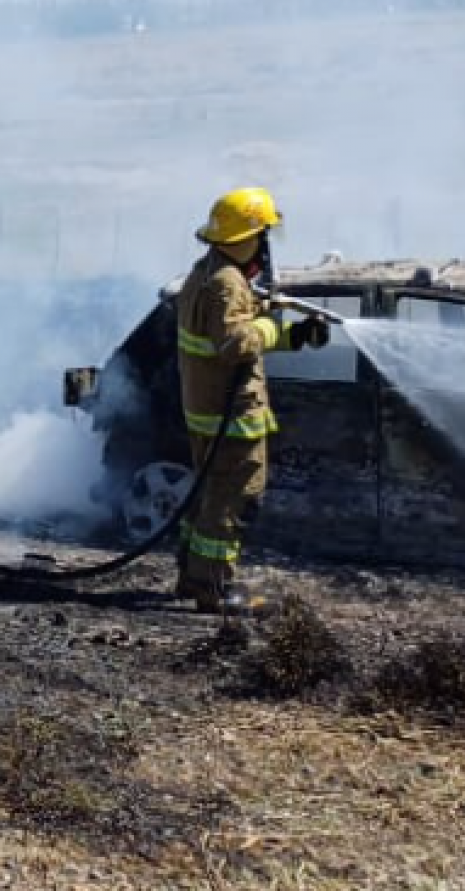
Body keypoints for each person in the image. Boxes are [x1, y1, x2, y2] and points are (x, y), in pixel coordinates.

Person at [173, 187, 328, 614]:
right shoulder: (226, 284)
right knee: (233, 501)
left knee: (208, 497)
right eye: (262, 235)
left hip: (207, 410)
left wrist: (291, 333)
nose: (265, 244)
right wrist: (270, 325)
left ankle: (192, 576)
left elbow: (226, 329)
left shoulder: (208, 271)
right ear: (247, 239)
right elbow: (236, 342)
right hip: (232, 415)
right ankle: (215, 590)